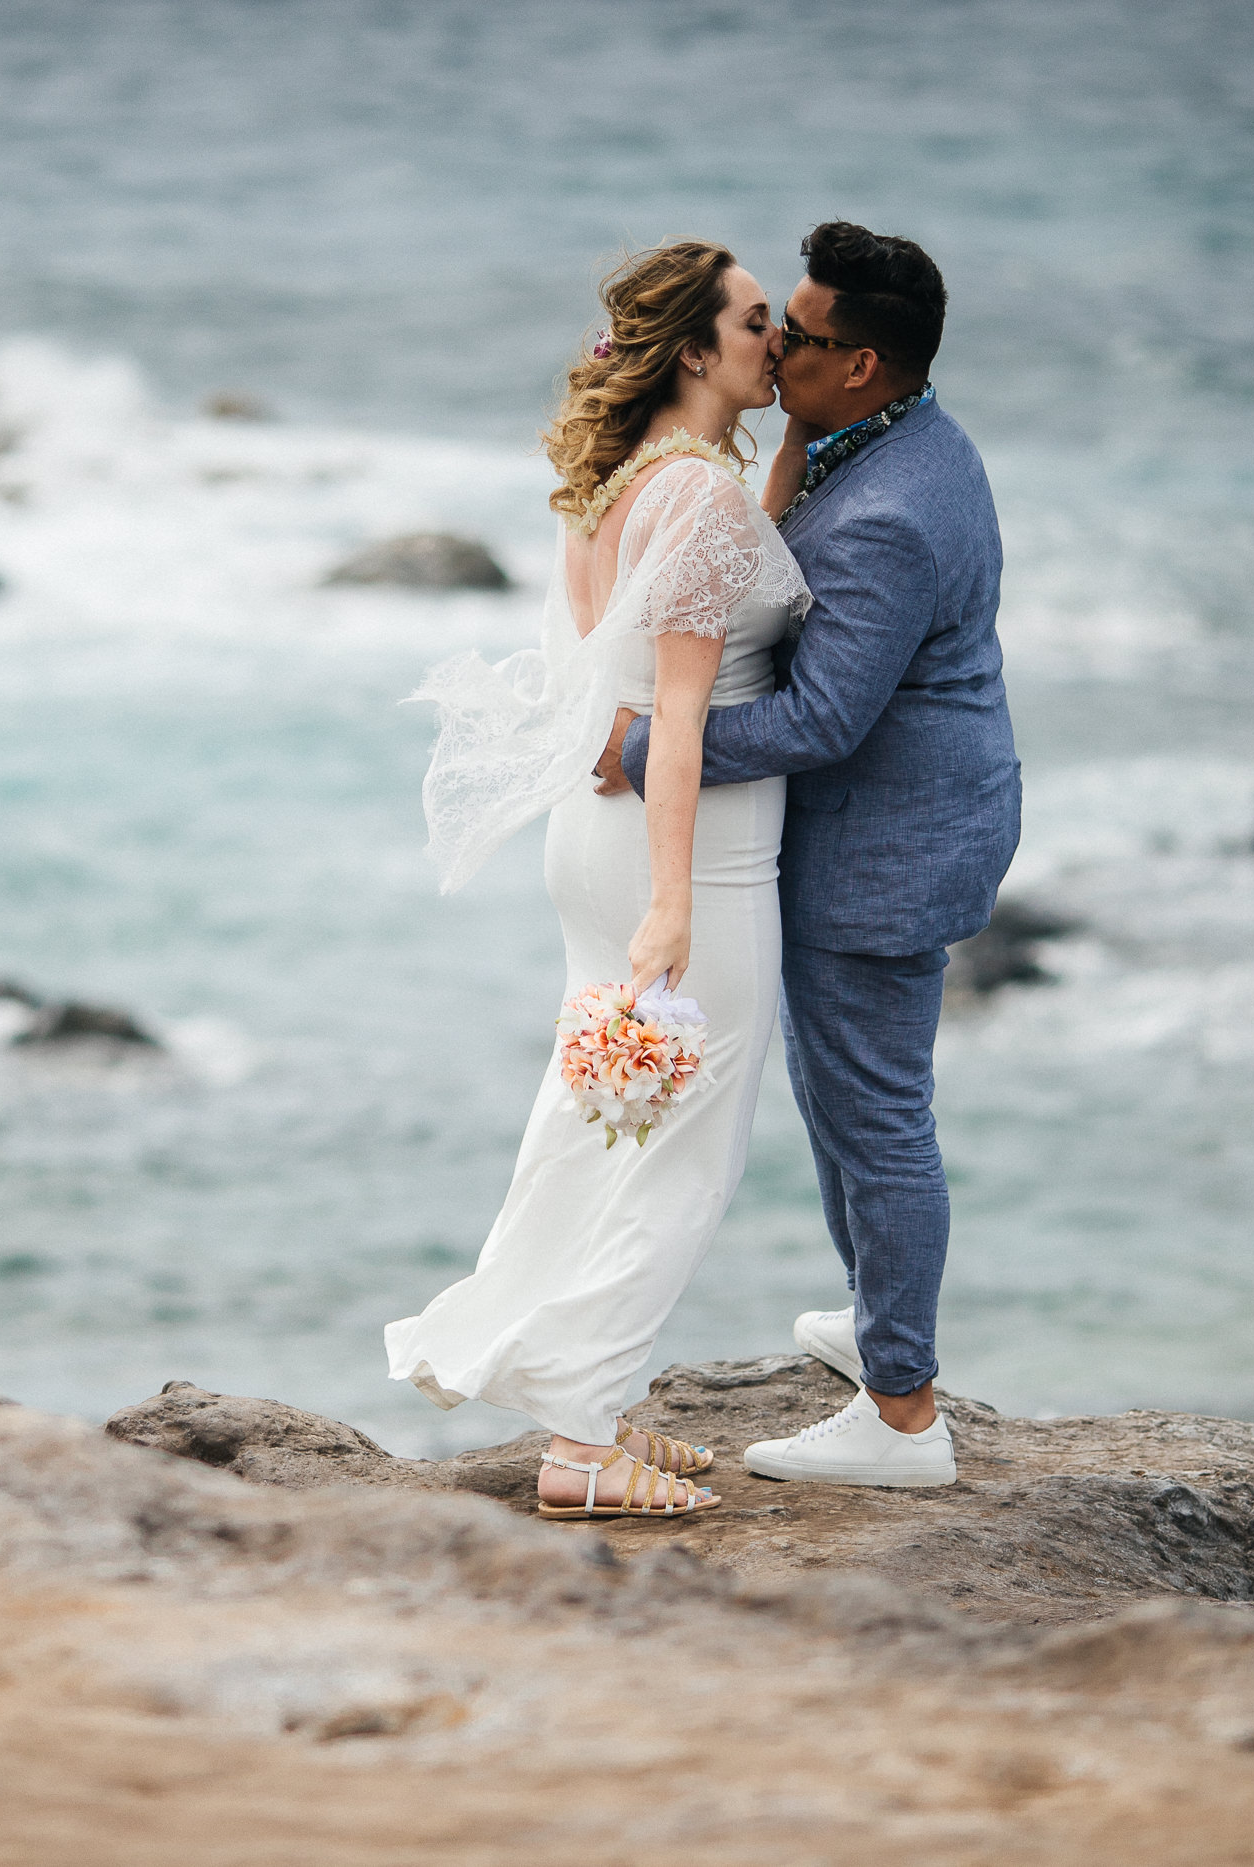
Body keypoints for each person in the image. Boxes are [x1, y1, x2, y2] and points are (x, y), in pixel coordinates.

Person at [387, 242, 812, 1519]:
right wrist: (676, 903)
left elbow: (641, 654)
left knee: (597, 1111)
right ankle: (579, 1438)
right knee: (686, 1142)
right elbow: (677, 722)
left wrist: (780, 460)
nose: (773, 341)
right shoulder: (697, 502)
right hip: (688, 856)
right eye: (752, 323)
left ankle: (599, 1398)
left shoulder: (624, 477)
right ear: (693, 349)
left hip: (598, 843)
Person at [599, 222, 1018, 1489]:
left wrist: (636, 746)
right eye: (771, 322)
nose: (776, 346)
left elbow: (818, 722)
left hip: (885, 846)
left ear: (867, 364)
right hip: (918, 816)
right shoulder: (902, 439)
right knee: (850, 1105)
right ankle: (882, 1320)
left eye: (804, 338)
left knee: (875, 1119)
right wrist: (787, 439)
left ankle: (902, 1414)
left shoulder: (890, 512)